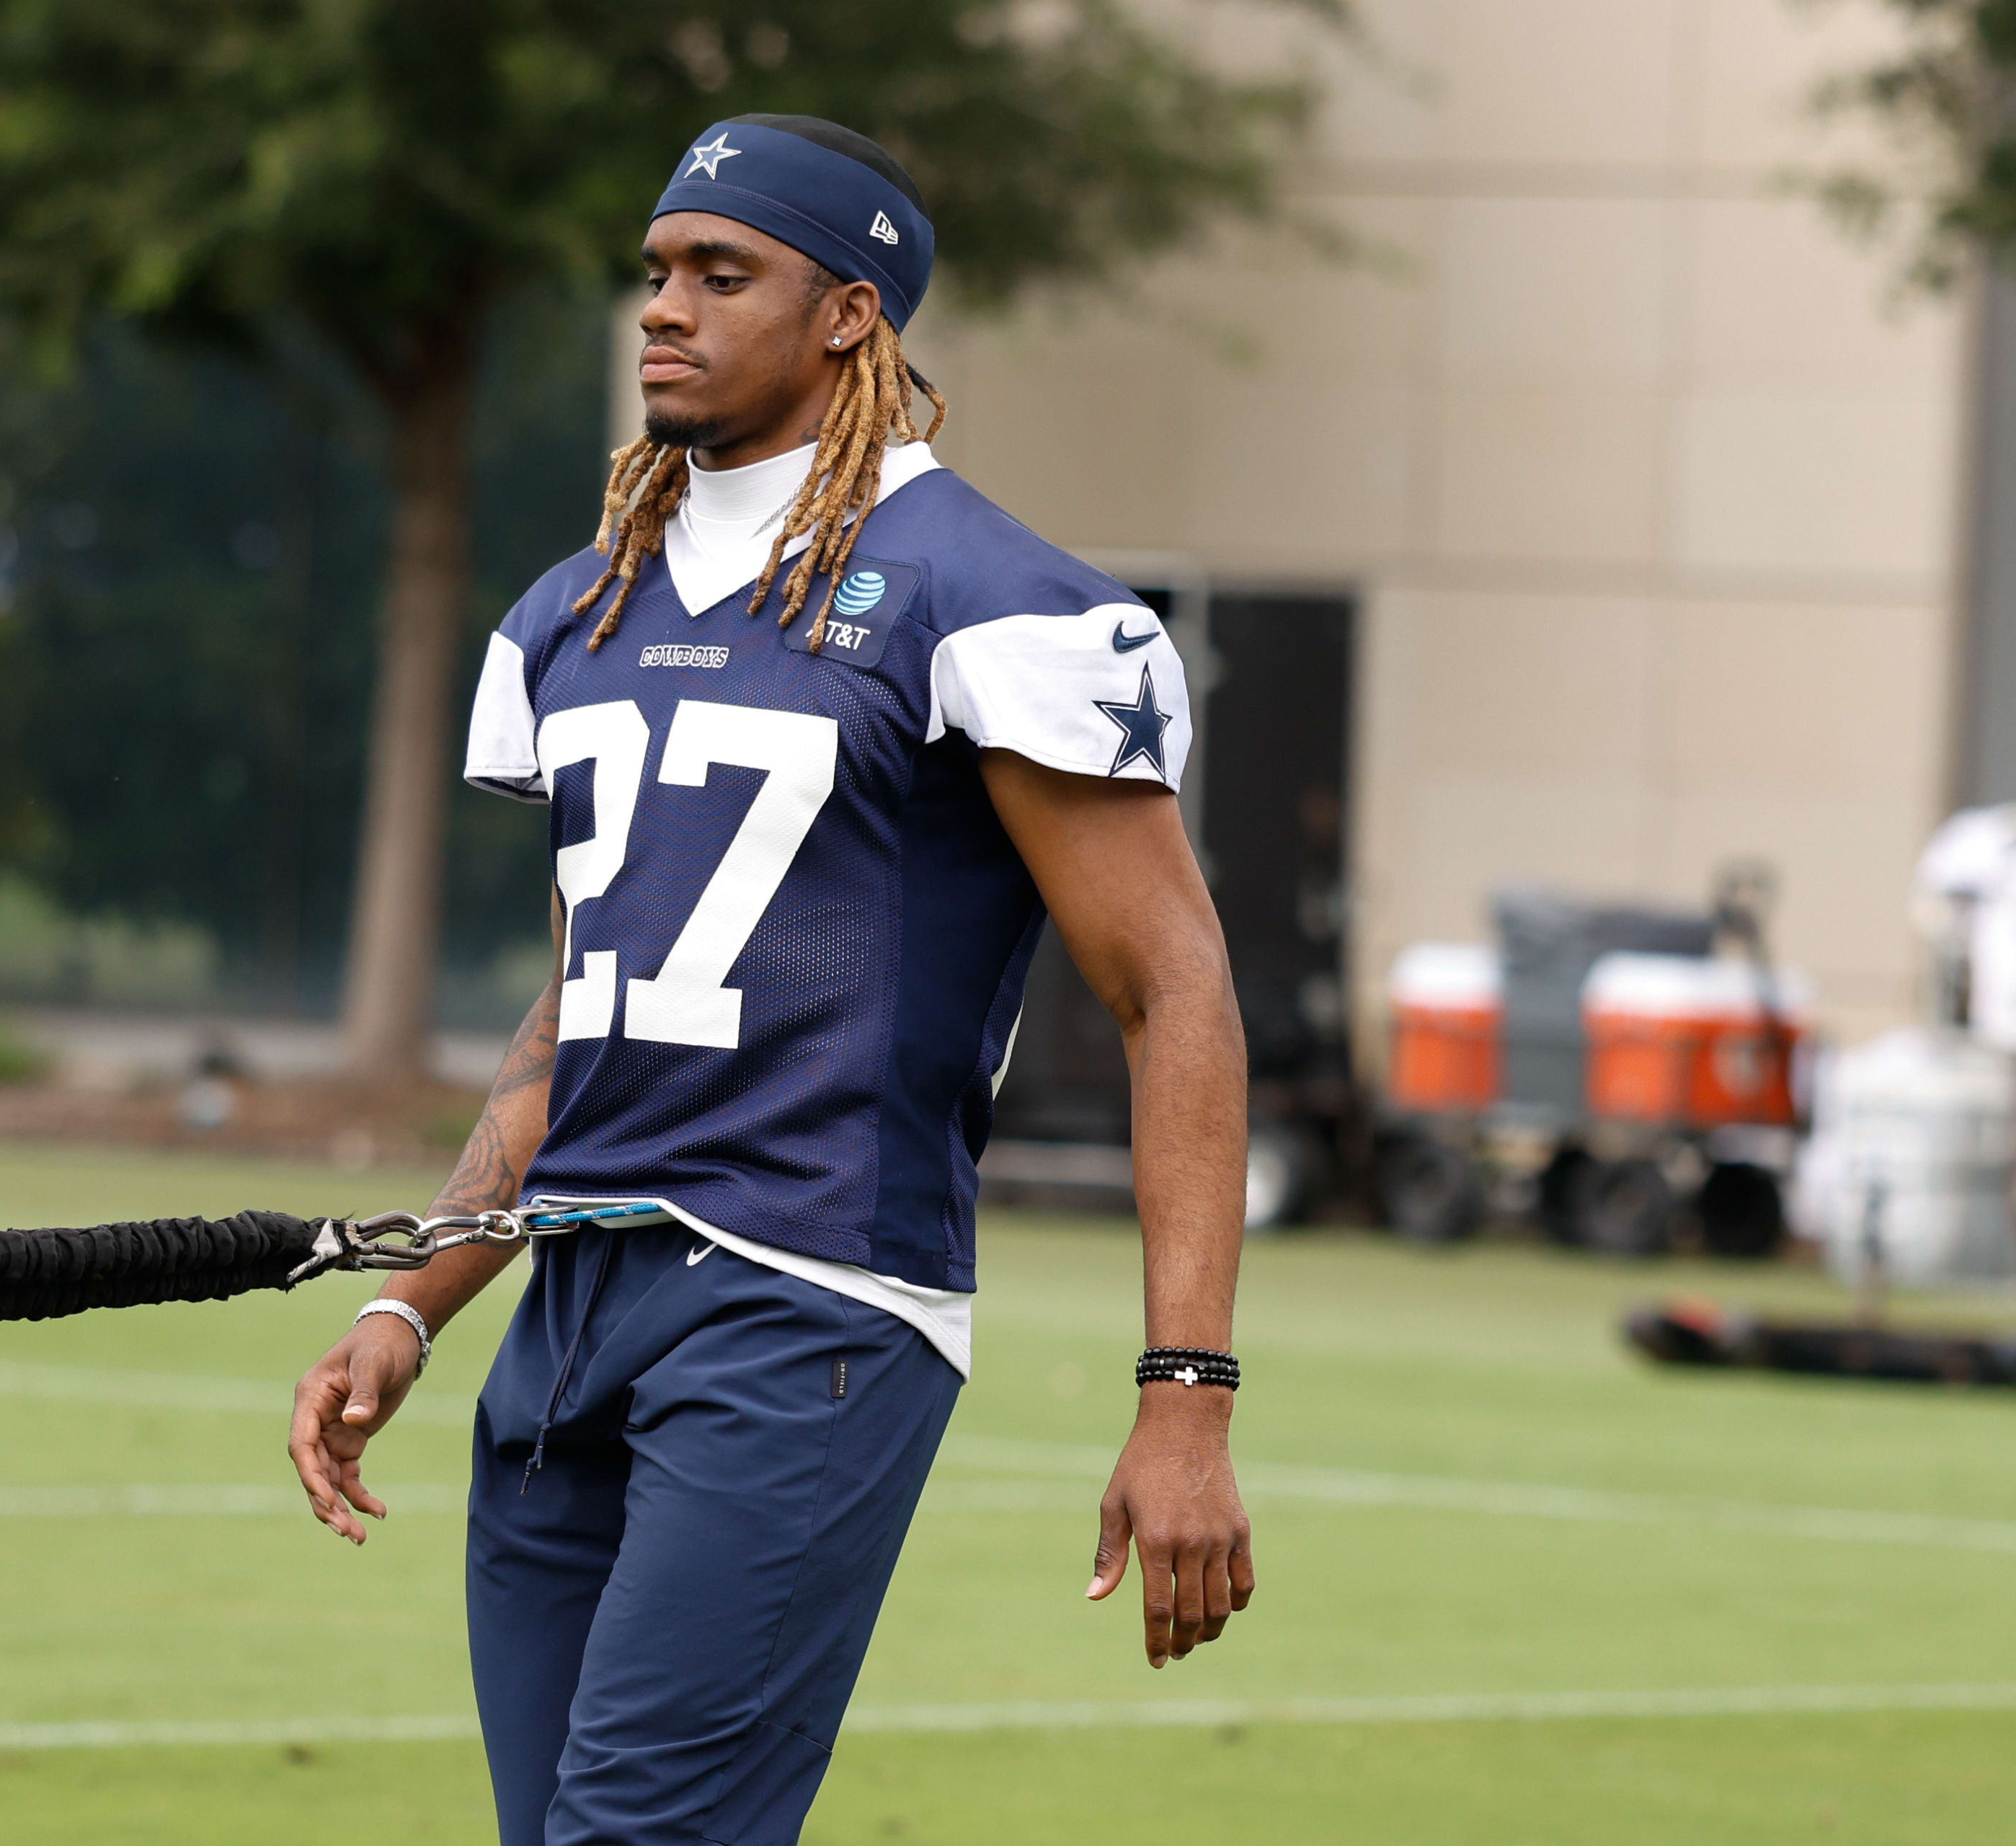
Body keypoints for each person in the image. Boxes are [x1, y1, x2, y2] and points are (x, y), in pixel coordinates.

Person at [288, 113, 1253, 1846]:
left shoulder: (995, 605)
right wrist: (411, 1299)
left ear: (850, 317)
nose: (664, 307)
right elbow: (587, 1000)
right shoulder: (573, 612)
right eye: (657, 271)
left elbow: (1173, 993)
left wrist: (1185, 1398)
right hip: (571, 1304)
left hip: (806, 1300)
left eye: (721, 274)